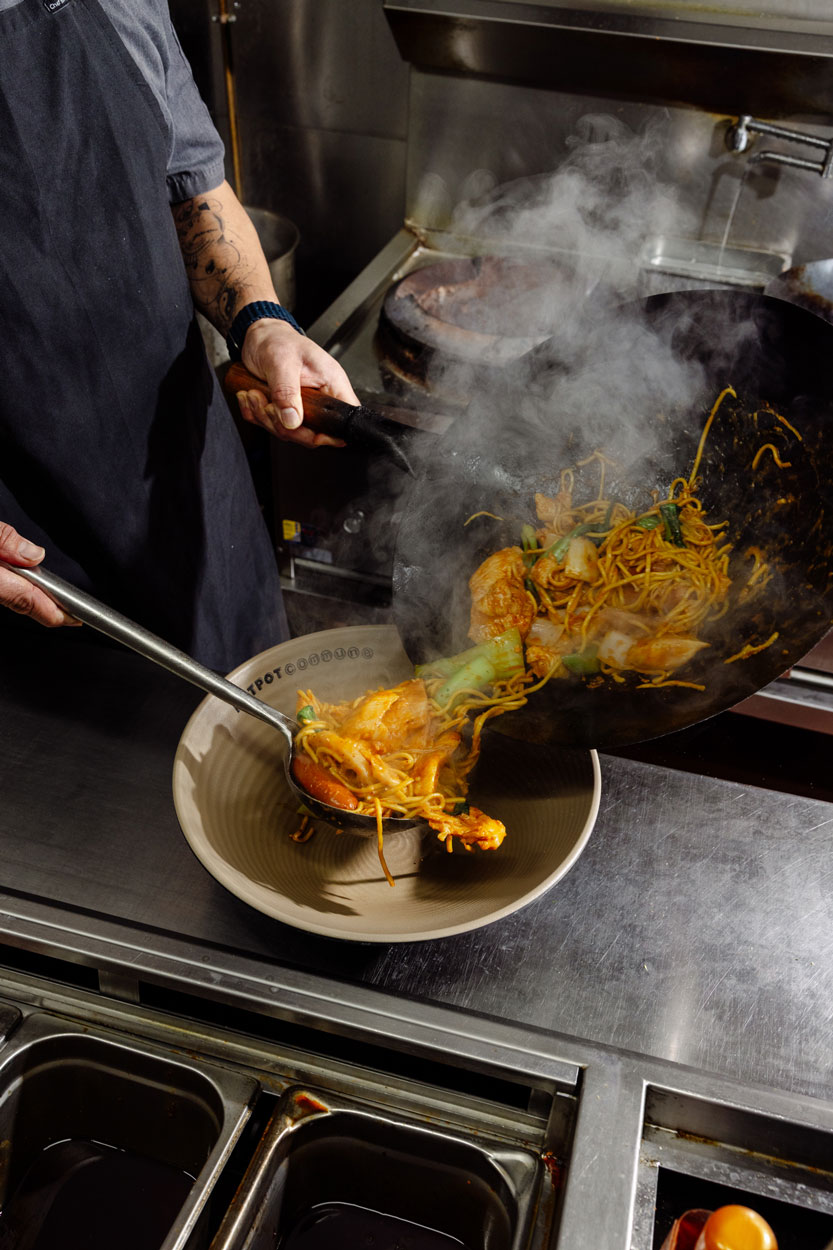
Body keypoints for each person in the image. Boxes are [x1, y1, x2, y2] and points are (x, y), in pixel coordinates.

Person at [0, 0, 358, 670]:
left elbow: (193, 188)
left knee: (263, 734)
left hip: (187, 476)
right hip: (24, 543)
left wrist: (261, 319)